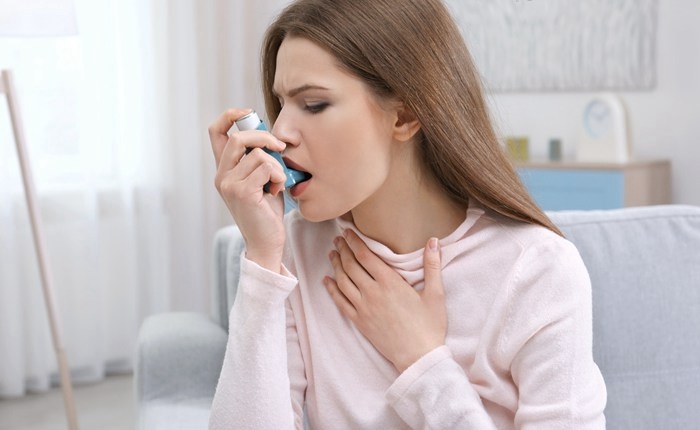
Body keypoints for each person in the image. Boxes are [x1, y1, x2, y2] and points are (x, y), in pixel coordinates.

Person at [207, 0, 607, 428]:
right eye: (281, 104)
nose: (281, 132)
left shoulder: (536, 271)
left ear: (406, 114)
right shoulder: (295, 251)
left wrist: (421, 360)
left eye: (314, 104)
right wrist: (263, 259)